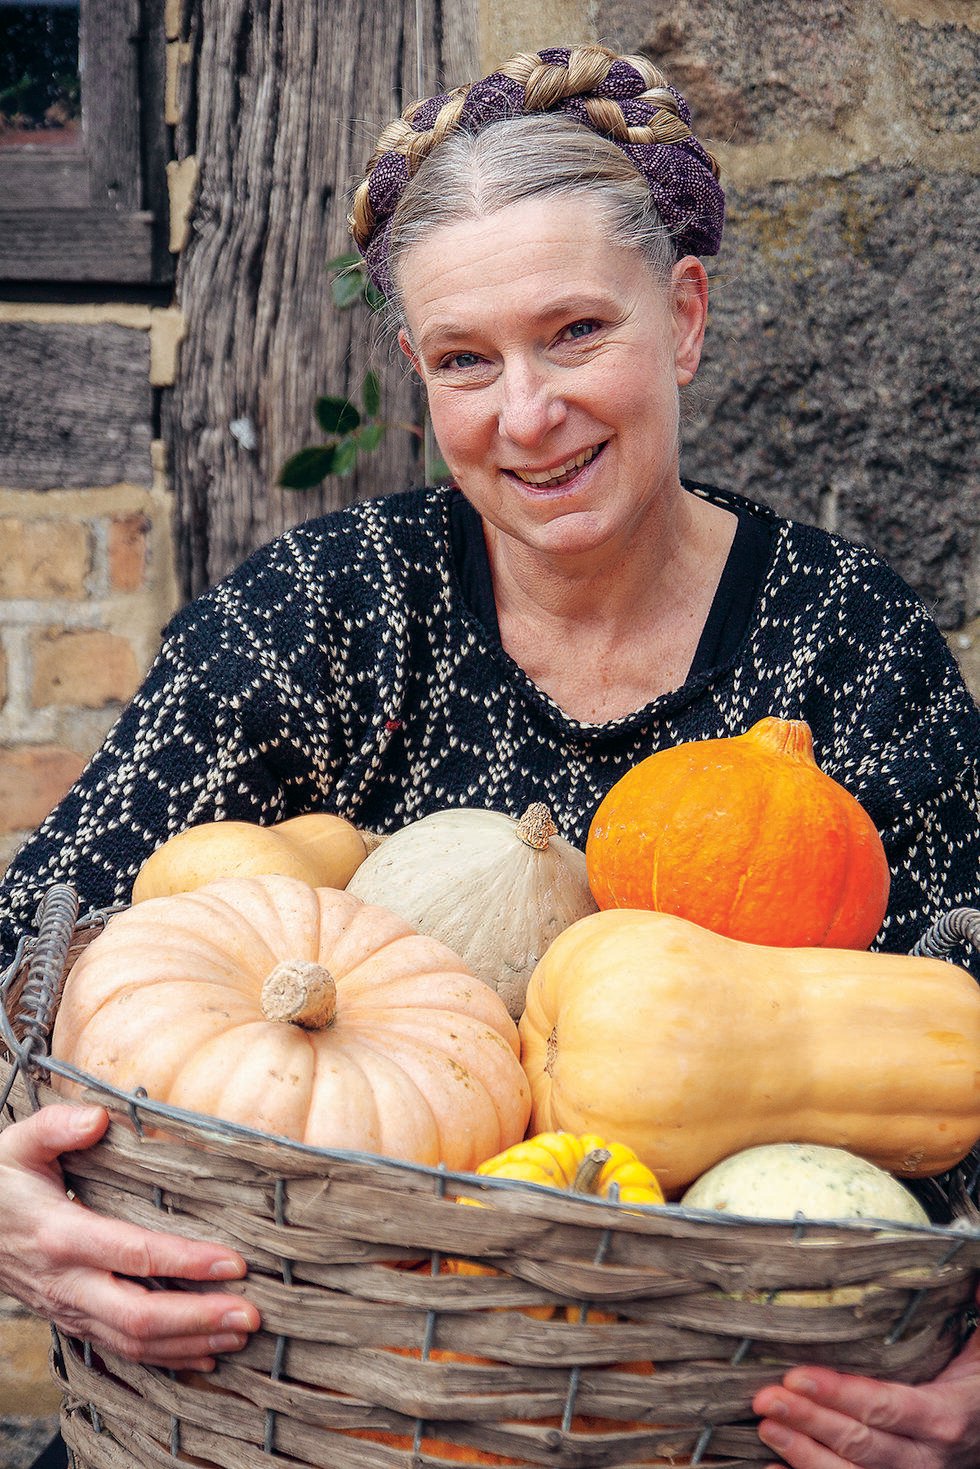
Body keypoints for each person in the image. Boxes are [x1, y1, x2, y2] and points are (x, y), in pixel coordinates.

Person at [1, 42, 978, 1469]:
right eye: (468, 359)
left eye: (577, 331)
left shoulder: (845, 643)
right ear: (417, 372)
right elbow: (35, 929)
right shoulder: (333, 611)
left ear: (685, 317)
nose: (527, 414)